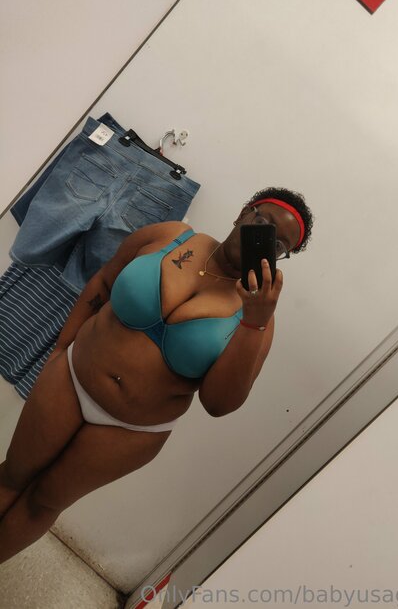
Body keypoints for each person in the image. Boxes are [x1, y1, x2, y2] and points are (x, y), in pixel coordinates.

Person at [0, 186, 314, 564]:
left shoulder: (258, 319)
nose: (263, 239)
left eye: (278, 245)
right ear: (245, 212)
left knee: (43, 502)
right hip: (71, 375)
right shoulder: (170, 236)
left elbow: (218, 403)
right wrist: (60, 349)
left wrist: (254, 323)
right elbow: (104, 282)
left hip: (130, 430)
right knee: (13, 475)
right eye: (262, 221)